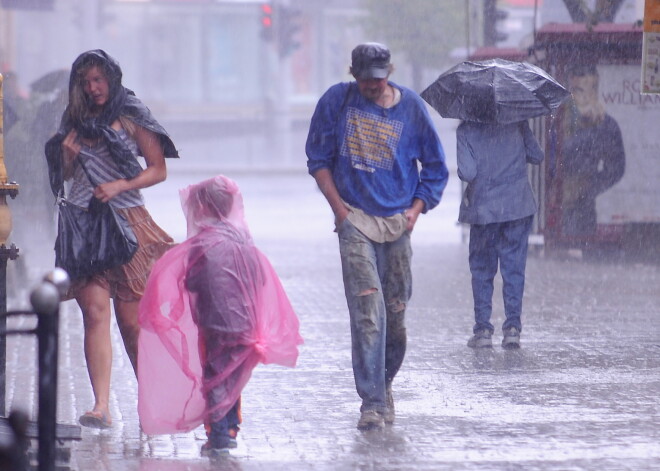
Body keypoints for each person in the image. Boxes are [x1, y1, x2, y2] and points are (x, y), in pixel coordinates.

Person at [305, 42, 449, 430]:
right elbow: (318, 161)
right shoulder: (337, 101)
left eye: (379, 79)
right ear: (354, 75)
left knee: (395, 315)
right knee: (368, 313)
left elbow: (435, 167)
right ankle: (371, 401)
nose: (373, 85)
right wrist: (340, 212)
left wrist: (415, 210)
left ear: (390, 72)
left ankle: (384, 384)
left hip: (397, 225)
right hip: (355, 222)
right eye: (366, 79)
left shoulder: (412, 109)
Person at [45, 50, 178, 429]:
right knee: (94, 314)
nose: (93, 88)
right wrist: (68, 159)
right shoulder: (74, 118)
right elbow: (64, 177)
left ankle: (150, 402)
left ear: (112, 78)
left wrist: (123, 183)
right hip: (85, 224)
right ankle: (100, 405)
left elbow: (158, 170)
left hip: (127, 224)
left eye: (98, 80)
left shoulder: (131, 112)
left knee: (132, 323)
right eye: (86, 82)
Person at [137, 175, 302, 456]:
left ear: (202, 209)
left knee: (215, 373)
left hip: (215, 323)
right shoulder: (244, 242)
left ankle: (221, 434)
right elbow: (259, 278)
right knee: (233, 373)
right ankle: (230, 425)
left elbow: (193, 283)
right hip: (246, 323)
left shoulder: (202, 245)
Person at [457, 120, 544, 349]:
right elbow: (537, 155)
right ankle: (512, 328)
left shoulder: (467, 129)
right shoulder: (517, 123)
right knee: (514, 268)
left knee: (482, 270)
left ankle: (483, 330)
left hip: (484, 211)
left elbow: (467, 171)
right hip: (517, 207)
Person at [561, 64, 625, 236]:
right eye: (575, 89)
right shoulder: (558, 121)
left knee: (583, 243)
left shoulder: (606, 126)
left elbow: (616, 168)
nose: (580, 96)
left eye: (586, 89)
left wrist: (587, 187)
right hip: (557, 208)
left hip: (584, 210)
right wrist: (559, 183)